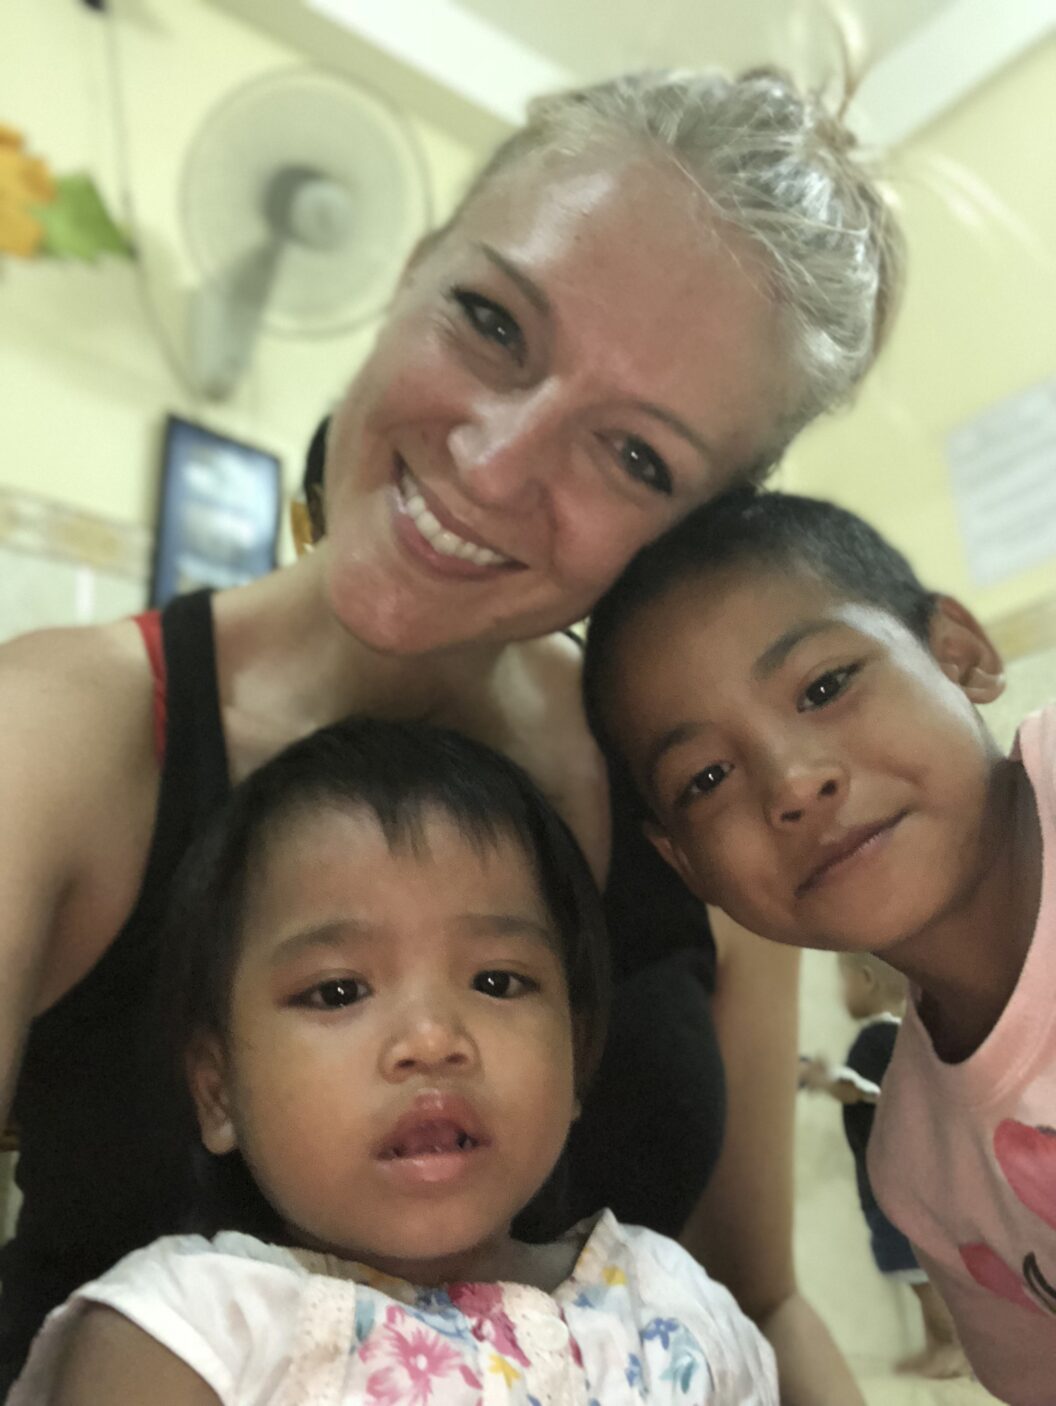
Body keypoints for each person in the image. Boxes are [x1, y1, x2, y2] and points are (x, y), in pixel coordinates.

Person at [0, 67, 903, 1401]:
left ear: (696, 530)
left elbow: (756, 1293)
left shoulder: (691, 797)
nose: (494, 460)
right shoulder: (55, 738)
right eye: (491, 320)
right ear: (414, 266)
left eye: (636, 456)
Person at [10, 718, 778, 1405]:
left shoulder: (673, 1310)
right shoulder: (188, 1338)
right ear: (218, 1092)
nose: (433, 1038)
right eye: (339, 991)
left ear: (577, 1056)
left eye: (496, 981)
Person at [582, 487, 1056, 1405]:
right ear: (685, 864)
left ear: (958, 653)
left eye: (825, 687)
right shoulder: (925, 1174)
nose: (793, 784)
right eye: (706, 778)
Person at [799, 953, 967, 1379]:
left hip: (896, 1188)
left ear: (867, 980)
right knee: (919, 1274)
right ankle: (938, 1346)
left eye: (843, 981)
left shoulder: (876, 1038)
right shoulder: (904, 1038)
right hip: (911, 1184)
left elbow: (859, 1090)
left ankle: (953, 1347)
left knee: (919, 1277)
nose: (840, 992)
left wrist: (820, 1079)